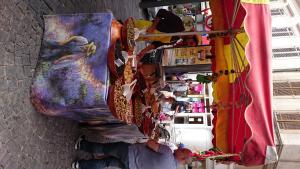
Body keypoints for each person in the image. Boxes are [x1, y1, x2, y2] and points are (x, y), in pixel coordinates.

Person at [72, 136, 193, 169]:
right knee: (107, 163)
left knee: (105, 149)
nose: (179, 148)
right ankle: (79, 165)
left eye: (182, 150)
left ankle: (81, 144)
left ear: (183, 159)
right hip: (131, 167)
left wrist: (155, 140)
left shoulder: (168, 152)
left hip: (129, 152)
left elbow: (150, 143)